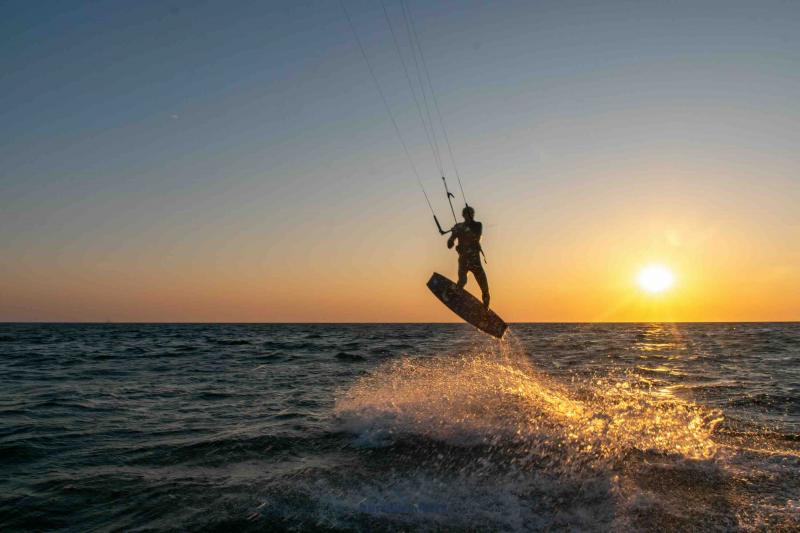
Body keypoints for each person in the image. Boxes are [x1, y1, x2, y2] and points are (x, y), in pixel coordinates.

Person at [447, 205, 490, 308]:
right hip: (463, 261)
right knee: (462, 281)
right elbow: (449, 245)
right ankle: (454, 298)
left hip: (475, 262)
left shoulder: (477, 225)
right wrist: (453, 236)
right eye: (467, 214)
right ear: (463, 215)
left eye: (471, 214)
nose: (469, 216)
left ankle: (486, 308)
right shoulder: (458, 227)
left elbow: (476, 237)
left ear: (473, 215)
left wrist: (461, 230)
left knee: (484, 288)